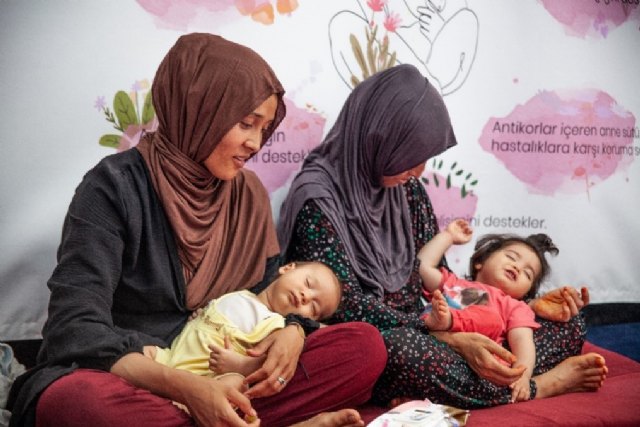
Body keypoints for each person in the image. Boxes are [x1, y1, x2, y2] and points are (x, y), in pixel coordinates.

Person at [7, 33, 386, 427]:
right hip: (137, 376)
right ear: (199, 109)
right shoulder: (113, 187)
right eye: (245, 123)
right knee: (77, 402)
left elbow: (270, 288)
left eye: (264, 128)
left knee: (364, 347)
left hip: (226, 373)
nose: (255, 143)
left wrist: (294, 330)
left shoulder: (248, 196)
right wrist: (187, 389)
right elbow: (74, 326)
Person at [277, 63, 607, 410]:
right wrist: (448, 338)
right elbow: (344, 306)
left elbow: (444, 288)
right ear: (377, 137)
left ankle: (481, 381)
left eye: (423, 160)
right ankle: (539, 385)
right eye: (409, 157)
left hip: (439, 322)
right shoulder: (319, 201)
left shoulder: (408, 192)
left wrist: (513, 311)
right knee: (397, 353)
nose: (418, 172)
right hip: (389, 338)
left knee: (569, 324)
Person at [420, 219, 567, 402]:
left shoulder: (514, 306)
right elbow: (422, 267)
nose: (517, 267)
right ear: (480, 262)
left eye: (528, 274)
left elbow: (523, 343)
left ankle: (448, 321)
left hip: (471, 367)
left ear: (526, 292)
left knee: (492, 319)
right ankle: (416, 396)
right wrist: (448, 236)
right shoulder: (454, 283)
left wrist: (523, 377)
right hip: (434, 348)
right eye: (511, 257)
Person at [146, 261, 341, 387]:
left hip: (206, 378)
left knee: (236, 383)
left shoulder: (276, 326)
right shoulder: (242, 293)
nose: (306, 296)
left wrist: (239, 365)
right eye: (307, 283)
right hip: (171, 356)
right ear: (287, 268)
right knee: (137, 352)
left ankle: (183, 408)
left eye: (314, 308)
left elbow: (266, 365)